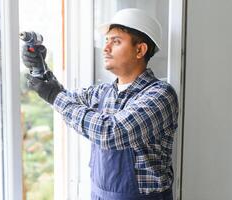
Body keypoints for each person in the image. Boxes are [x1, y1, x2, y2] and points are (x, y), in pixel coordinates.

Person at [22, 8, 178, 200]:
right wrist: (40, 68)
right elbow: (64, 100)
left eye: (116, 41)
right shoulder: (102, 92)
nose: (106, 48)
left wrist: (54, 95)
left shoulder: (160, 95)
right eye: (106, 41)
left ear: (140, 50)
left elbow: (111, 133)